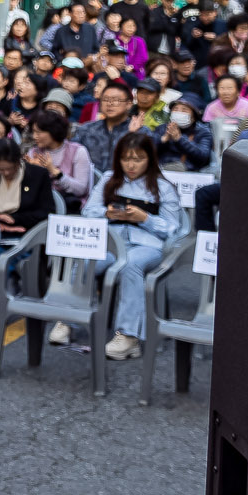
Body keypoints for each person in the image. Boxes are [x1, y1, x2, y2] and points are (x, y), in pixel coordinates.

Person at [92, 132, 182, 362]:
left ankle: (129, 336)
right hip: (111, 242)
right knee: (86, 258)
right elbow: (88, 211)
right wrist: (106, 213)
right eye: (125, 159)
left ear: (149, 159)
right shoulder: (109, 179)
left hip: (147, 246)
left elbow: (174, 228)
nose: (131, 165)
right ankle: (69, 318)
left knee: (130, 265)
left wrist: (146, 219)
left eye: (138, 159)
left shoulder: (162, 187)